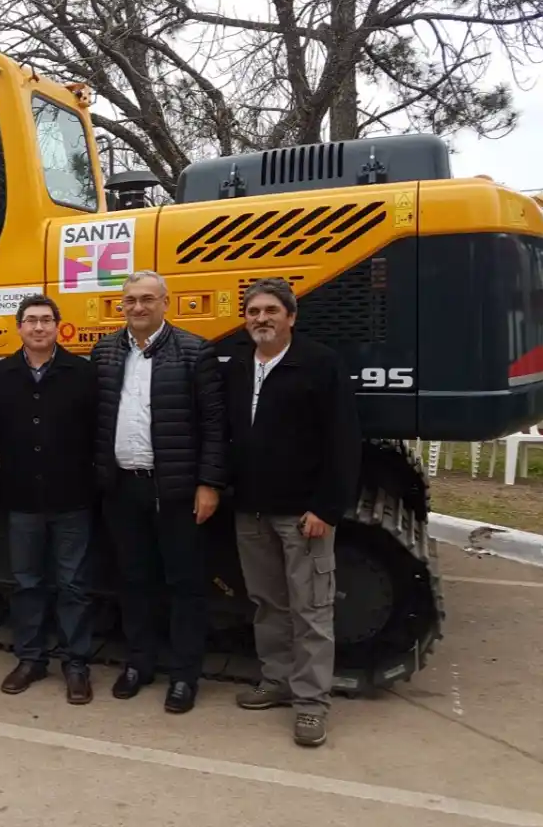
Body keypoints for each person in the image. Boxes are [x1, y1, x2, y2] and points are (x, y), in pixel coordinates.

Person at [225, 277, 361, 748]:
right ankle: (278, 679)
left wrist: (326, 506)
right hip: (251, 512)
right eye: (253, 312)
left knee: (311, 609)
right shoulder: (240, 365)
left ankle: (310, 704)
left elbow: (343, 442)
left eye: (270, 311)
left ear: (291, 317)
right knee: (268, 603)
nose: (260, 319)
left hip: (302, 514)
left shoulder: (320, 365)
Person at [90, 270, 228, 714]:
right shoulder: (106, 352)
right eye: (130, 300)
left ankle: (184, 675)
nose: (138, 308)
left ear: (166, 303)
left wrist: (208, 485)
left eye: (147, 299)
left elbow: (213, 425)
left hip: (177, 492)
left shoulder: (194, 352)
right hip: (123, 489)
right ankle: (139, 663)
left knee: (184, 584)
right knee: (133, 581)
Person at [0, 294, 99, 704]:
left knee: (74, 585)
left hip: (72, 499)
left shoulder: (82, 374)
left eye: (46, 320)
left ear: (58, 326)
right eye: (30, 320)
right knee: (27, 584)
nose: (37, 327)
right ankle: (30, 659)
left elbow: (97, 436)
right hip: (22, 500)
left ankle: (76, 663)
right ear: (19, 328)